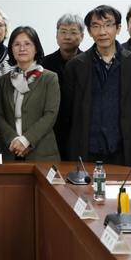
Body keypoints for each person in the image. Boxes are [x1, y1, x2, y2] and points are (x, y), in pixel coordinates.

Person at [64, 5, 131, 166]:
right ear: (88, 31)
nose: (102, 32)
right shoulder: (75, 66)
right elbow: (67, 114)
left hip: (123, 149)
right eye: (96, 26)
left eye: (108, 25)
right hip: (86, 149)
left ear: (118, 28)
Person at [0, 26, 61, 161]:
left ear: (36, 48)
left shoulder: (49, 78)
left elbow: (50, 115)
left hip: (41, 152)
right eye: (17, 44)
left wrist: (26, 140)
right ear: (11, 49)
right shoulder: (3, 81)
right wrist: (15, 141)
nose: (22, 48)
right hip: (10, 151)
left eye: (27, 44)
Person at [41, 13, 85, 159]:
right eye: (63, 32)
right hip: (52, 130)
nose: (67, 36)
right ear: (56, 35)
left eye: (73, 32)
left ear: (82, 36)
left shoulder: (89, 64)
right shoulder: (44, 64)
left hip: (80, 129)